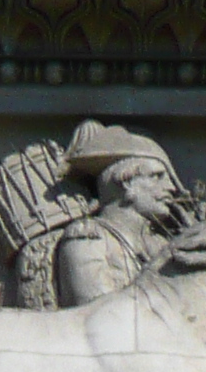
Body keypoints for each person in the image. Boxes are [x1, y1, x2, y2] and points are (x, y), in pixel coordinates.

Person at [47, 122, 192, 307]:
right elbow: (96, 313)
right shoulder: (87, 237)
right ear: (126, 182)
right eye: (157, 176)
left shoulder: (161, 243)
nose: (170, 188)